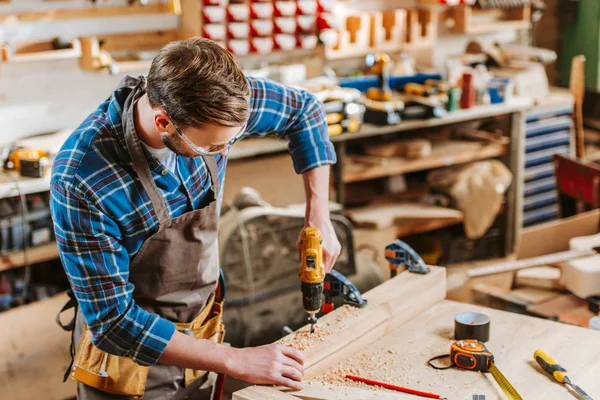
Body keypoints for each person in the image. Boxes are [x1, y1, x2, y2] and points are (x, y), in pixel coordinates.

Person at [50, 37, 341, 400]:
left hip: (203, 343)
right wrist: (234, 359)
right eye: (214, 147)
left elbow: (306, 111)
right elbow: (114, 323)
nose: (223, 151)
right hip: (129, 369)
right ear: (164, 122)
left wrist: (318, 216)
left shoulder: (215, 101)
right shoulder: (83, 177)